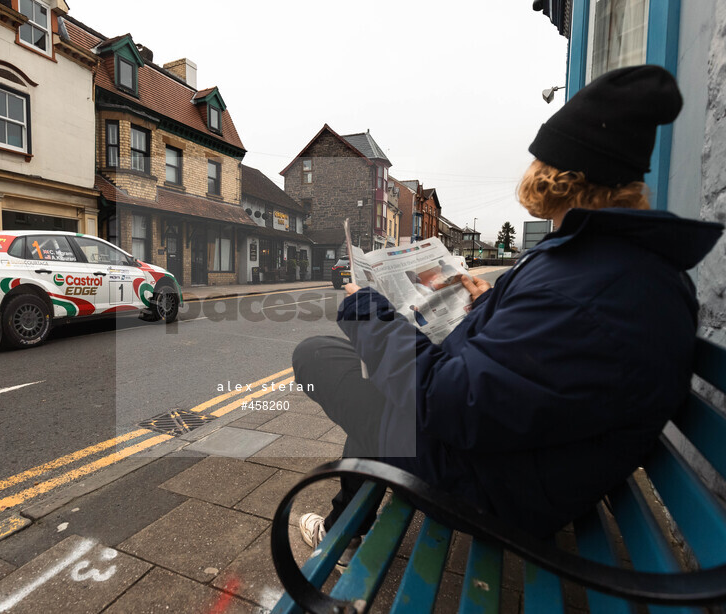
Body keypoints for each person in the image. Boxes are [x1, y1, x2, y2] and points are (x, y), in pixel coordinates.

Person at [292, 65, 724, 557]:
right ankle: (345, 523)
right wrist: (485, 300)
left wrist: (366, 308)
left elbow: (444, 402)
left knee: (318, 357)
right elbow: (535, 358)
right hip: (526, 466)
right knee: (377, 392)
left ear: (557, 175)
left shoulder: (584, 283)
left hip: (490, 491)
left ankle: (342, 530)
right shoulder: (622, 268)